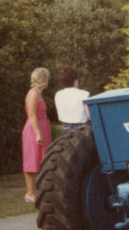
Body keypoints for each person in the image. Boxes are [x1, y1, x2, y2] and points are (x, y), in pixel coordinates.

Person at [22, 67, 52, 203]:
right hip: (34, 130)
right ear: (43, 80)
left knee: (44, 160)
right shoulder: (33, 93)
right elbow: (32, 114)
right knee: (32, 161)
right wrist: (38, 133)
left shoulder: (39, 93)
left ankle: (43, 191)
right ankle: (30, 193)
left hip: (42, 127)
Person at [54, 66, 89, 132]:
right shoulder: (84, 94)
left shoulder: (58, 95)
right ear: (76, 81)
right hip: (81, 129)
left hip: (65, 128)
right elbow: (89, 115)